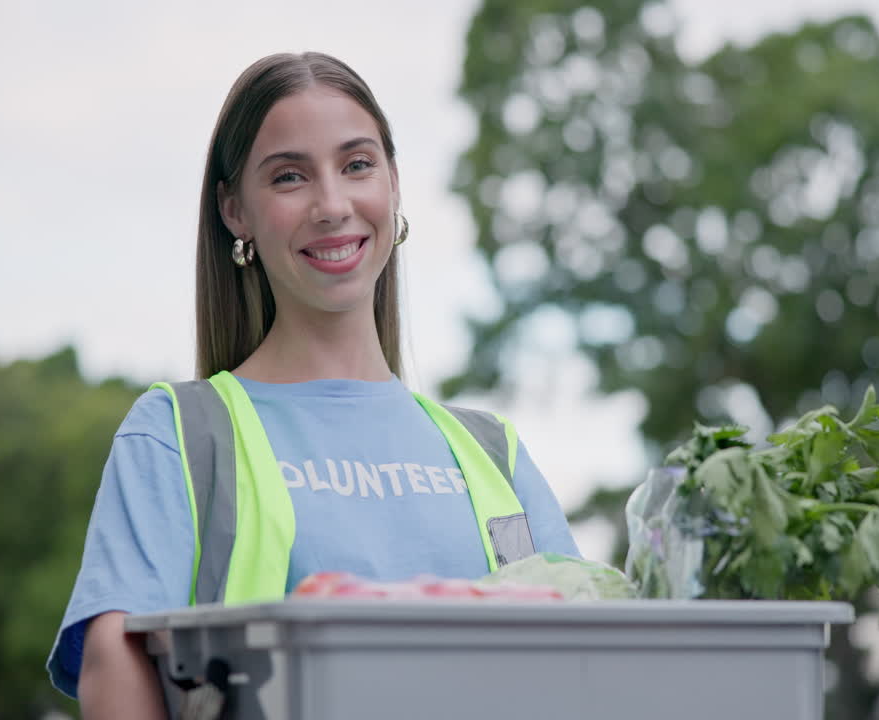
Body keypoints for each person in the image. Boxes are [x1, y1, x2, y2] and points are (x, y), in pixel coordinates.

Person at [47, 51, 580, 718]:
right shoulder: (178, 435)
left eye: (357, 165)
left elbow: (588, 663)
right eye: (289, 177)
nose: (332, 205)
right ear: (235, 211)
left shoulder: (494, 452)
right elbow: (112, 661)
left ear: (393, 184)